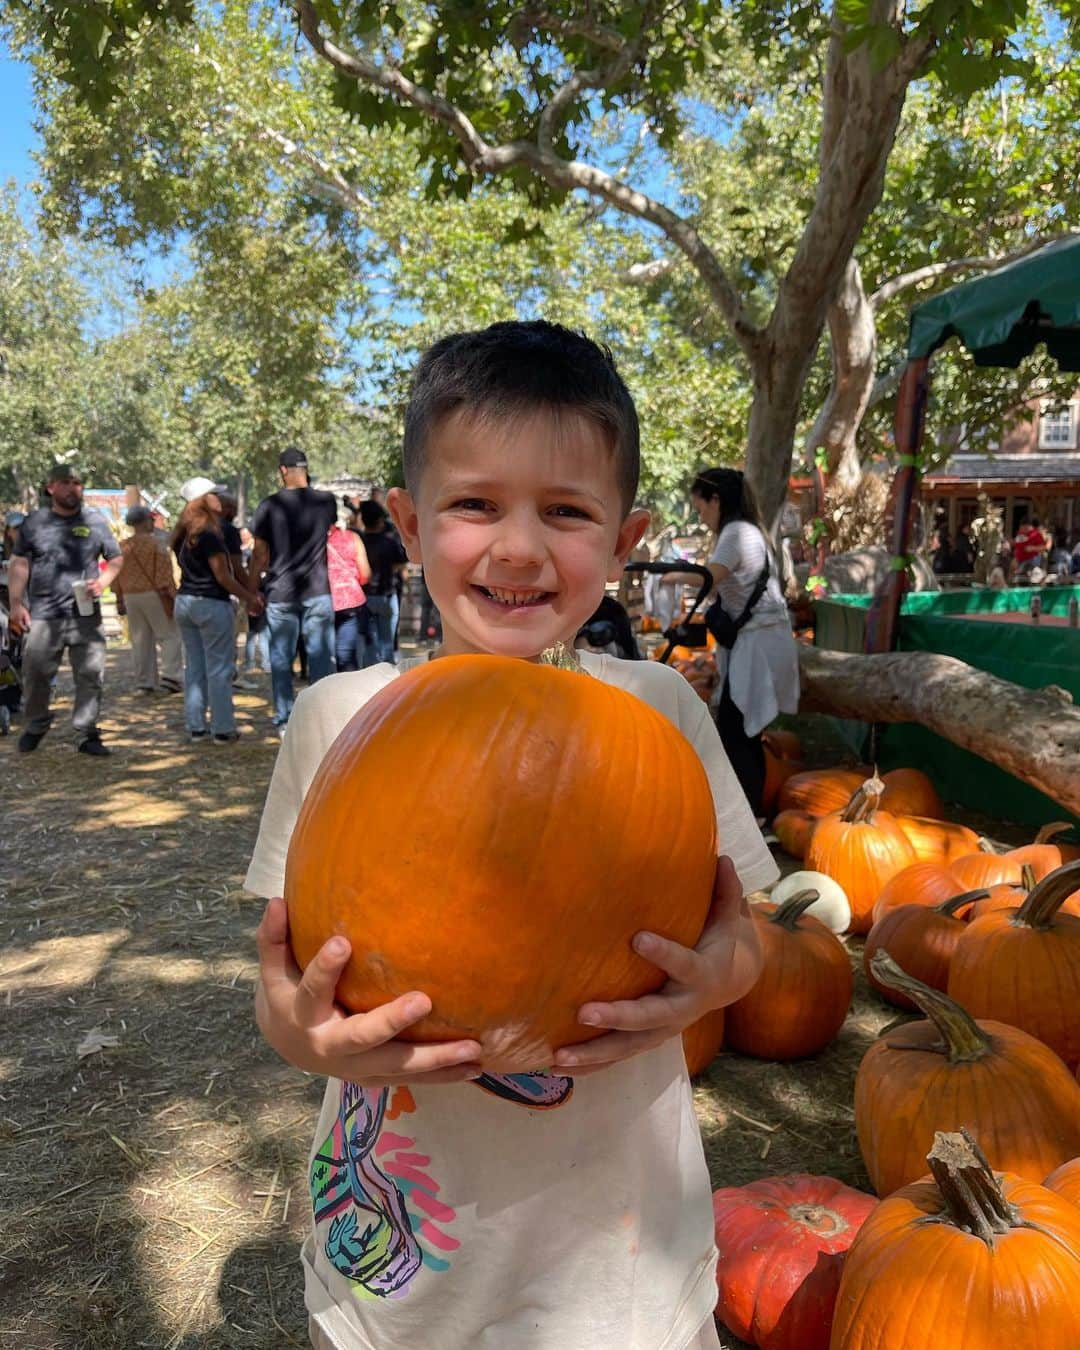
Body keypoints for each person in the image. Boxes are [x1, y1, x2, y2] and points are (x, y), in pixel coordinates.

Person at [246, 320, 777, 1350]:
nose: (520, 547)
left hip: (618, 1264)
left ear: (625, 543)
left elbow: (744, 931)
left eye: (568, 512)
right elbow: (281, 980)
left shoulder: (661, 708)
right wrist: (301, 1034)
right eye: (476, 504)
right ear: (406, 519)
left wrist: (720, 978)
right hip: (403, 1270)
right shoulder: (336, 715)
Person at [666, 467, 799, 817]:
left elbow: (710, 578)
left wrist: (670, 576)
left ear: (716, 500)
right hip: (761, 641)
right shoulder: (750, 531)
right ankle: (751, 813)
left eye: (701, 509)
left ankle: (750, 815)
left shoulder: (737, 532)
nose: (702, 517)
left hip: (757, 644)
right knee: (740, 731)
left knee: (736, 731)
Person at [7, 464, 123, 756]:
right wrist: (16, 604)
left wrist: (104, 581)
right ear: (51, 488)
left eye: (77, 482)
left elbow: (116, 558)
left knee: (90, 675)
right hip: (44, 614)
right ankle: (36, 723)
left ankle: (86, 733)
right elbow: (19, 564)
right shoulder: (35, 523)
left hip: (86, 614)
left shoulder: (94, 521)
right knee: (35, 674)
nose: (72, 488)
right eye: (65, 482)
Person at [248, 448, 338, 728]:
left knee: (280, 659)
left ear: (283, 470)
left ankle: (285, 719)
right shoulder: (326, 502)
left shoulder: (268, 506)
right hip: (318, 590)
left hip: (280, 592)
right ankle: (321, 716)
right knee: (321, 657)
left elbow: (260, 554)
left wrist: (252, 591)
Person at [171, 486, 264, 743]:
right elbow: (224, 575)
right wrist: (249, 597)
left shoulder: (183, 533)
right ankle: (223, 728)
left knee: (195, 667)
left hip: (185, 601)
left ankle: (196, 725)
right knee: (219, 669)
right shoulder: (210, 535)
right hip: (211, 603)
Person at [113, 505, 182, 694]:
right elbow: (163, 573)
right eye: (151, 520)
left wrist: (119, 597)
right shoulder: (156, 544)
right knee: (169, 635)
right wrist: (172, 595)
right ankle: (171, 677)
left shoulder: (122, 546)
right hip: (155, 594)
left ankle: (144, 681)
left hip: (130, 595)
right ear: (144, 521)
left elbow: (116, 574)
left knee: (140, 638)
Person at [354, 499, 406, 666]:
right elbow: (400, 563)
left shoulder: (359, 541)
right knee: (387, 641)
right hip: (386, 595)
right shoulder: (390, 540)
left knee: (369, 641)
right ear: (380, 520)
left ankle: (369, 672)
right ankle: (388, 676)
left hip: (363, 597)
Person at [327, 508, 371, 672]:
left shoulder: (310, 541)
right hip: (350, 600)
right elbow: (365, 573)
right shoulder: (353, 537)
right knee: (346, 653)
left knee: (322, 654)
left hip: (321, 599)